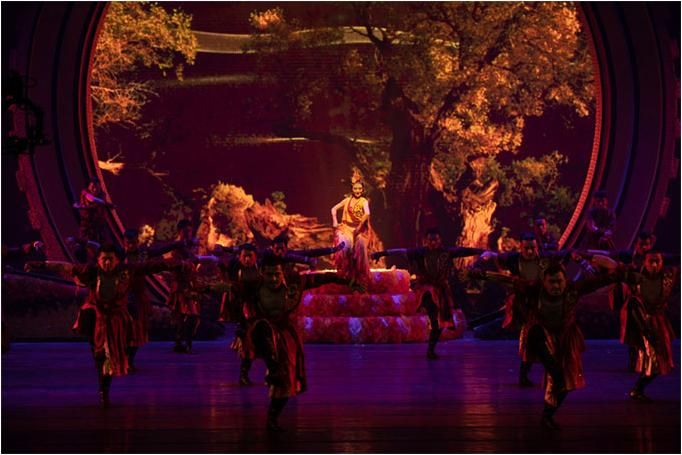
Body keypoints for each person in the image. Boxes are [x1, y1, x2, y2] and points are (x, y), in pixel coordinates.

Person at [471, 255, 620, 429]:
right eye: (552, 282)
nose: (556, 286)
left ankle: (548, 414)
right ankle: (546, 392)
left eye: (559, 282)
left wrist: (620, 275)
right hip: (541, 334)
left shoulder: (574, 289)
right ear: (544, 282)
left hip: (565, 337)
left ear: (565, 281)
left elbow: (599, 281)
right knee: (550, 363)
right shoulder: (533, 288)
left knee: (566, 383)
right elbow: (509, 280)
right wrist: (482, 275)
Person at [25, 243, 180, 406]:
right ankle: (100, 365)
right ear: (98, 260)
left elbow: (151, 266)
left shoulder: (126, 271)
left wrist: (175, 264)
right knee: (99, 352)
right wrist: (40, 264)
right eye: (104, 259)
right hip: (95, 316)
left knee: (108, 357)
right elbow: (65, 267)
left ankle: (103, 390)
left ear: (118, 260)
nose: (107, 263)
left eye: (111, 259)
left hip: (115, 319)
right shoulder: (92, 271)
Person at [239, 255, 362, 431]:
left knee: (285, 381)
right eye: (269, 275)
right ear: (261, 273)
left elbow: (322, 278)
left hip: (286, 334)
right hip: (261, 331)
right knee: (262, 329)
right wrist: (206, 288)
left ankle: (273, 416)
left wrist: (348, 281)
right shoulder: (253, 286)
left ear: (283, 272)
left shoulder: (295, 282)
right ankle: (268, 368)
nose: (273, 279)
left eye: (277, 274)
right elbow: (229, 288)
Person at [371, 228, 484, 359]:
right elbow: (401, 251)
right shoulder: (420, 252)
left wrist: (482, 251)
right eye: (430, 240)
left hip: (441, 290)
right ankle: (431, 321)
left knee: (440, 324)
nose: (433, 243)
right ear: (426, 241)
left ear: (440, 240)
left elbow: (464, 251)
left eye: (435, 240)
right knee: (432, 308)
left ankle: (431, 349)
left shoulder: (446, 252)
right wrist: (382, 253)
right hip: (425, 289)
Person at [617, 250, 678, 400]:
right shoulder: (636, 278)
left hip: (659, 321)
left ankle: (637, 389)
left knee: (659, 359)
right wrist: (645, 328)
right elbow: (632, 305)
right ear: (644, 262)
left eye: (658, 261)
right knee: (653, 359)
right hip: (642, 321)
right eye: (651, 261)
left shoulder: (669, 276)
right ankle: (637, 389)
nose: (655, 265)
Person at [121, 228, 185, 369]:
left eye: (133, 243)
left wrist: (176, 244)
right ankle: (122, 359)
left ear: (137, 241)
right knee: (123, 330)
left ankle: (129, 360)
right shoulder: (120, 255)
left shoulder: (143, 253)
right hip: (122, 297)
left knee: (137, 330)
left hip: (137, 297)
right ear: (124, 242)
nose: (130, 245)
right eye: (128, 243)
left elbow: (159, 251)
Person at [331, 181, 371, 287]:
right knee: (343, 245)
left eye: (359, 189)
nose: (357, 191)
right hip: (346, 228)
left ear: (363, 190)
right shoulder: (347, 200)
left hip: (360, 230)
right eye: (355, 188)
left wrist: (359, 227)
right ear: (352, 189)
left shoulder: (364, 201)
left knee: (360, 247)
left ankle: (360, 277)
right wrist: (335, 221)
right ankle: (346, 273)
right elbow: (333, 209)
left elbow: (367, 213)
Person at [73, 177, 114, 244]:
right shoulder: (84, 192)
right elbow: (91, 199)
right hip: (87, 223)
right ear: (89, 186)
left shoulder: (102, 194)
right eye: (92, 187)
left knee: (101, 242)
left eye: (97, 187)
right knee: (85, 242)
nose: (94, 190)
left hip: (99, 224)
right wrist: (105, 203)